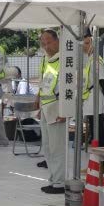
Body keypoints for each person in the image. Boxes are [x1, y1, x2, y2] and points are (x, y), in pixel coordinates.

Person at [38, 29, 66, 194]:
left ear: (57, 41)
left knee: (57, 147)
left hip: (57, 108)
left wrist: (64, 110)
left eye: (49, 42)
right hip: (45, 107)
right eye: (44, 43)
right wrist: (38, 102)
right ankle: (54, 179)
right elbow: (43, 82)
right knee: (47, 146)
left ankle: (60, 182)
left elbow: (69, 88)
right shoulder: (45, 60)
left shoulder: (65, 60)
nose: (46, 46)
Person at [81, 29, 104, 146]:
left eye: (88, 43)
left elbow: (103, 83)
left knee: (98, 129)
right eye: (84, 43)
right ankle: (97, 153)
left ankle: (101, 153)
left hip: (96, 99)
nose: (85, 45)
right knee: (94, 128)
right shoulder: (89, 60)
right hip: (90, 99)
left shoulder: (96, 60)